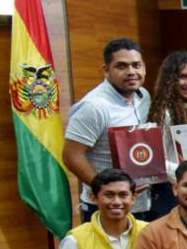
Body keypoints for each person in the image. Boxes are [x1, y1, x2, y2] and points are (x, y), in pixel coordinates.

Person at [63, 38, 152, 220]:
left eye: (136, 65)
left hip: (142, 203)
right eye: (121, 66)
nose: (131, 72)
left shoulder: (143, 96)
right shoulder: (94, 106)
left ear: (144, 68)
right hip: (106, 206)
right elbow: (71, 156)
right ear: (106, 70)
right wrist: (106, 188)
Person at [146, 50, 187, 219]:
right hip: (169, 190)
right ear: (170, 79)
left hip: (186, 185)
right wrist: (186, 173)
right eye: (183, 77)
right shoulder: (165, 113)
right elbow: (156, 160)